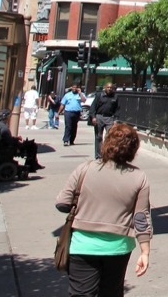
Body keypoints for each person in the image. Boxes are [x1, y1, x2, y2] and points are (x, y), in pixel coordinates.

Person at [56, 123, 152, 297]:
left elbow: (62, 202)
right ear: (133, 149)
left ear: (107, 144)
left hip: (82, 245)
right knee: (111, 292)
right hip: (118, 247)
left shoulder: (85, 169)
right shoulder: (139, 177)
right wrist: (145, 251)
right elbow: (141, 217)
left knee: (80, 294)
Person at [90, 83, 119, 160]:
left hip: (109, 118)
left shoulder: (115, 97)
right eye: (108, 87)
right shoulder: (99, 95)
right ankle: (98, 155)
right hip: (99, 117)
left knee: (109, 136)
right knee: (98, 137)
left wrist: (115, 120)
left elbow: (117, 109)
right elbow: (93, 107)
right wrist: (93, 117)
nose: (109, 89)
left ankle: (107, 153)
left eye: (111, 87)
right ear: (105, 88)